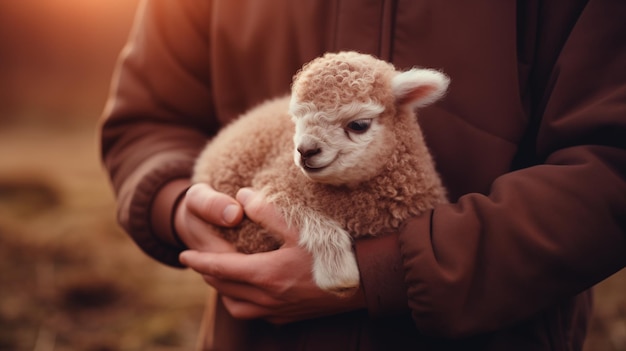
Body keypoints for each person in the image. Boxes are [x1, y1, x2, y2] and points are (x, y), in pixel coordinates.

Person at [99, 0, 626, 350]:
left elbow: (610, 160)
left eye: (355, 123)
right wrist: (178, 205)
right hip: (256, 335)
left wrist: (390, 269)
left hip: (495, 331)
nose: (305, 148)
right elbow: (149, 116)